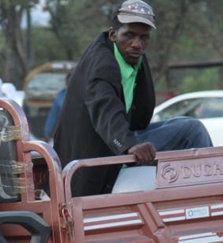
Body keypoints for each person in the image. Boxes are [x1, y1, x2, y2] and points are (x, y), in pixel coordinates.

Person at [53, 0, 212, 197]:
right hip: (98, 154)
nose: (137, 44)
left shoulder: (132, 54)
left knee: (191, 128)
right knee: (190, 131)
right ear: (113, 34)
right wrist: (129, 144)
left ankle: (206, 191)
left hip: (122, 139)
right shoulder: (102, 65)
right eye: (129, 35)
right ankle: (210, 198)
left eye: (144, 38)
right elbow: (104, 107)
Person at [43, 72, 71, 141]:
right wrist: (47, 132)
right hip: (66, 131)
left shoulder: (84, 94)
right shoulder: (61, 95)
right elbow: (53, 114)